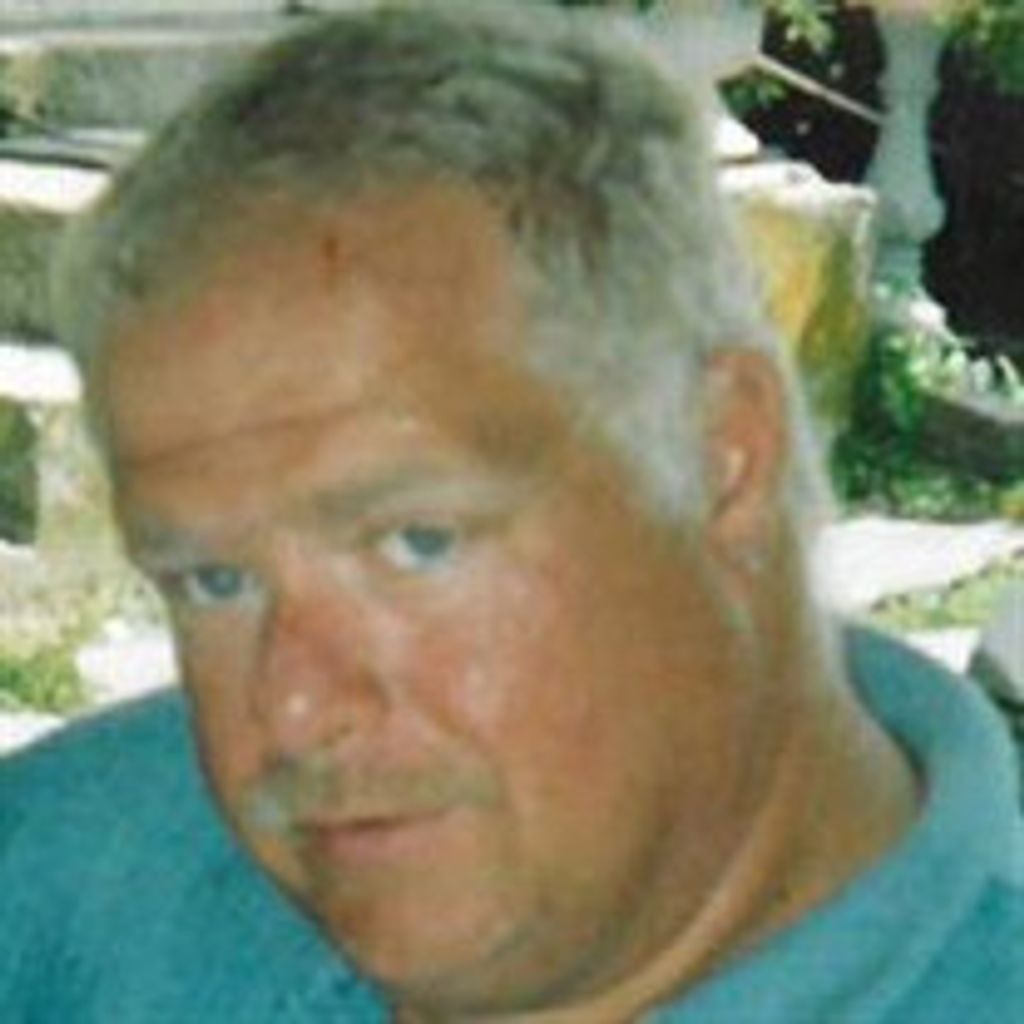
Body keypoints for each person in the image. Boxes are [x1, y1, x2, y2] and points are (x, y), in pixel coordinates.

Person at [1, 6, 1021, 1022]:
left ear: (721, 458)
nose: (297, 710)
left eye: (414, 544)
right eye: (214, 581)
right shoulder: (73, 876)